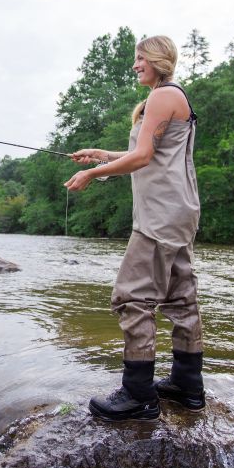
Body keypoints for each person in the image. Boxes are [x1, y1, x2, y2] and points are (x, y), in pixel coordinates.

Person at [65, 35, 204, 421]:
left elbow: (142, 157)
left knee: (131, 296)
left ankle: (138, 394)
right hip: (178, 210)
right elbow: (146, 152)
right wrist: (101, 154)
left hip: (160, 215)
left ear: (157, 59)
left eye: (139, 58)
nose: (135, 65)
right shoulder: (168, 97)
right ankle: (187, 386)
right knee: (180, 297)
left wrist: (92, 172)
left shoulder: (162, 97)